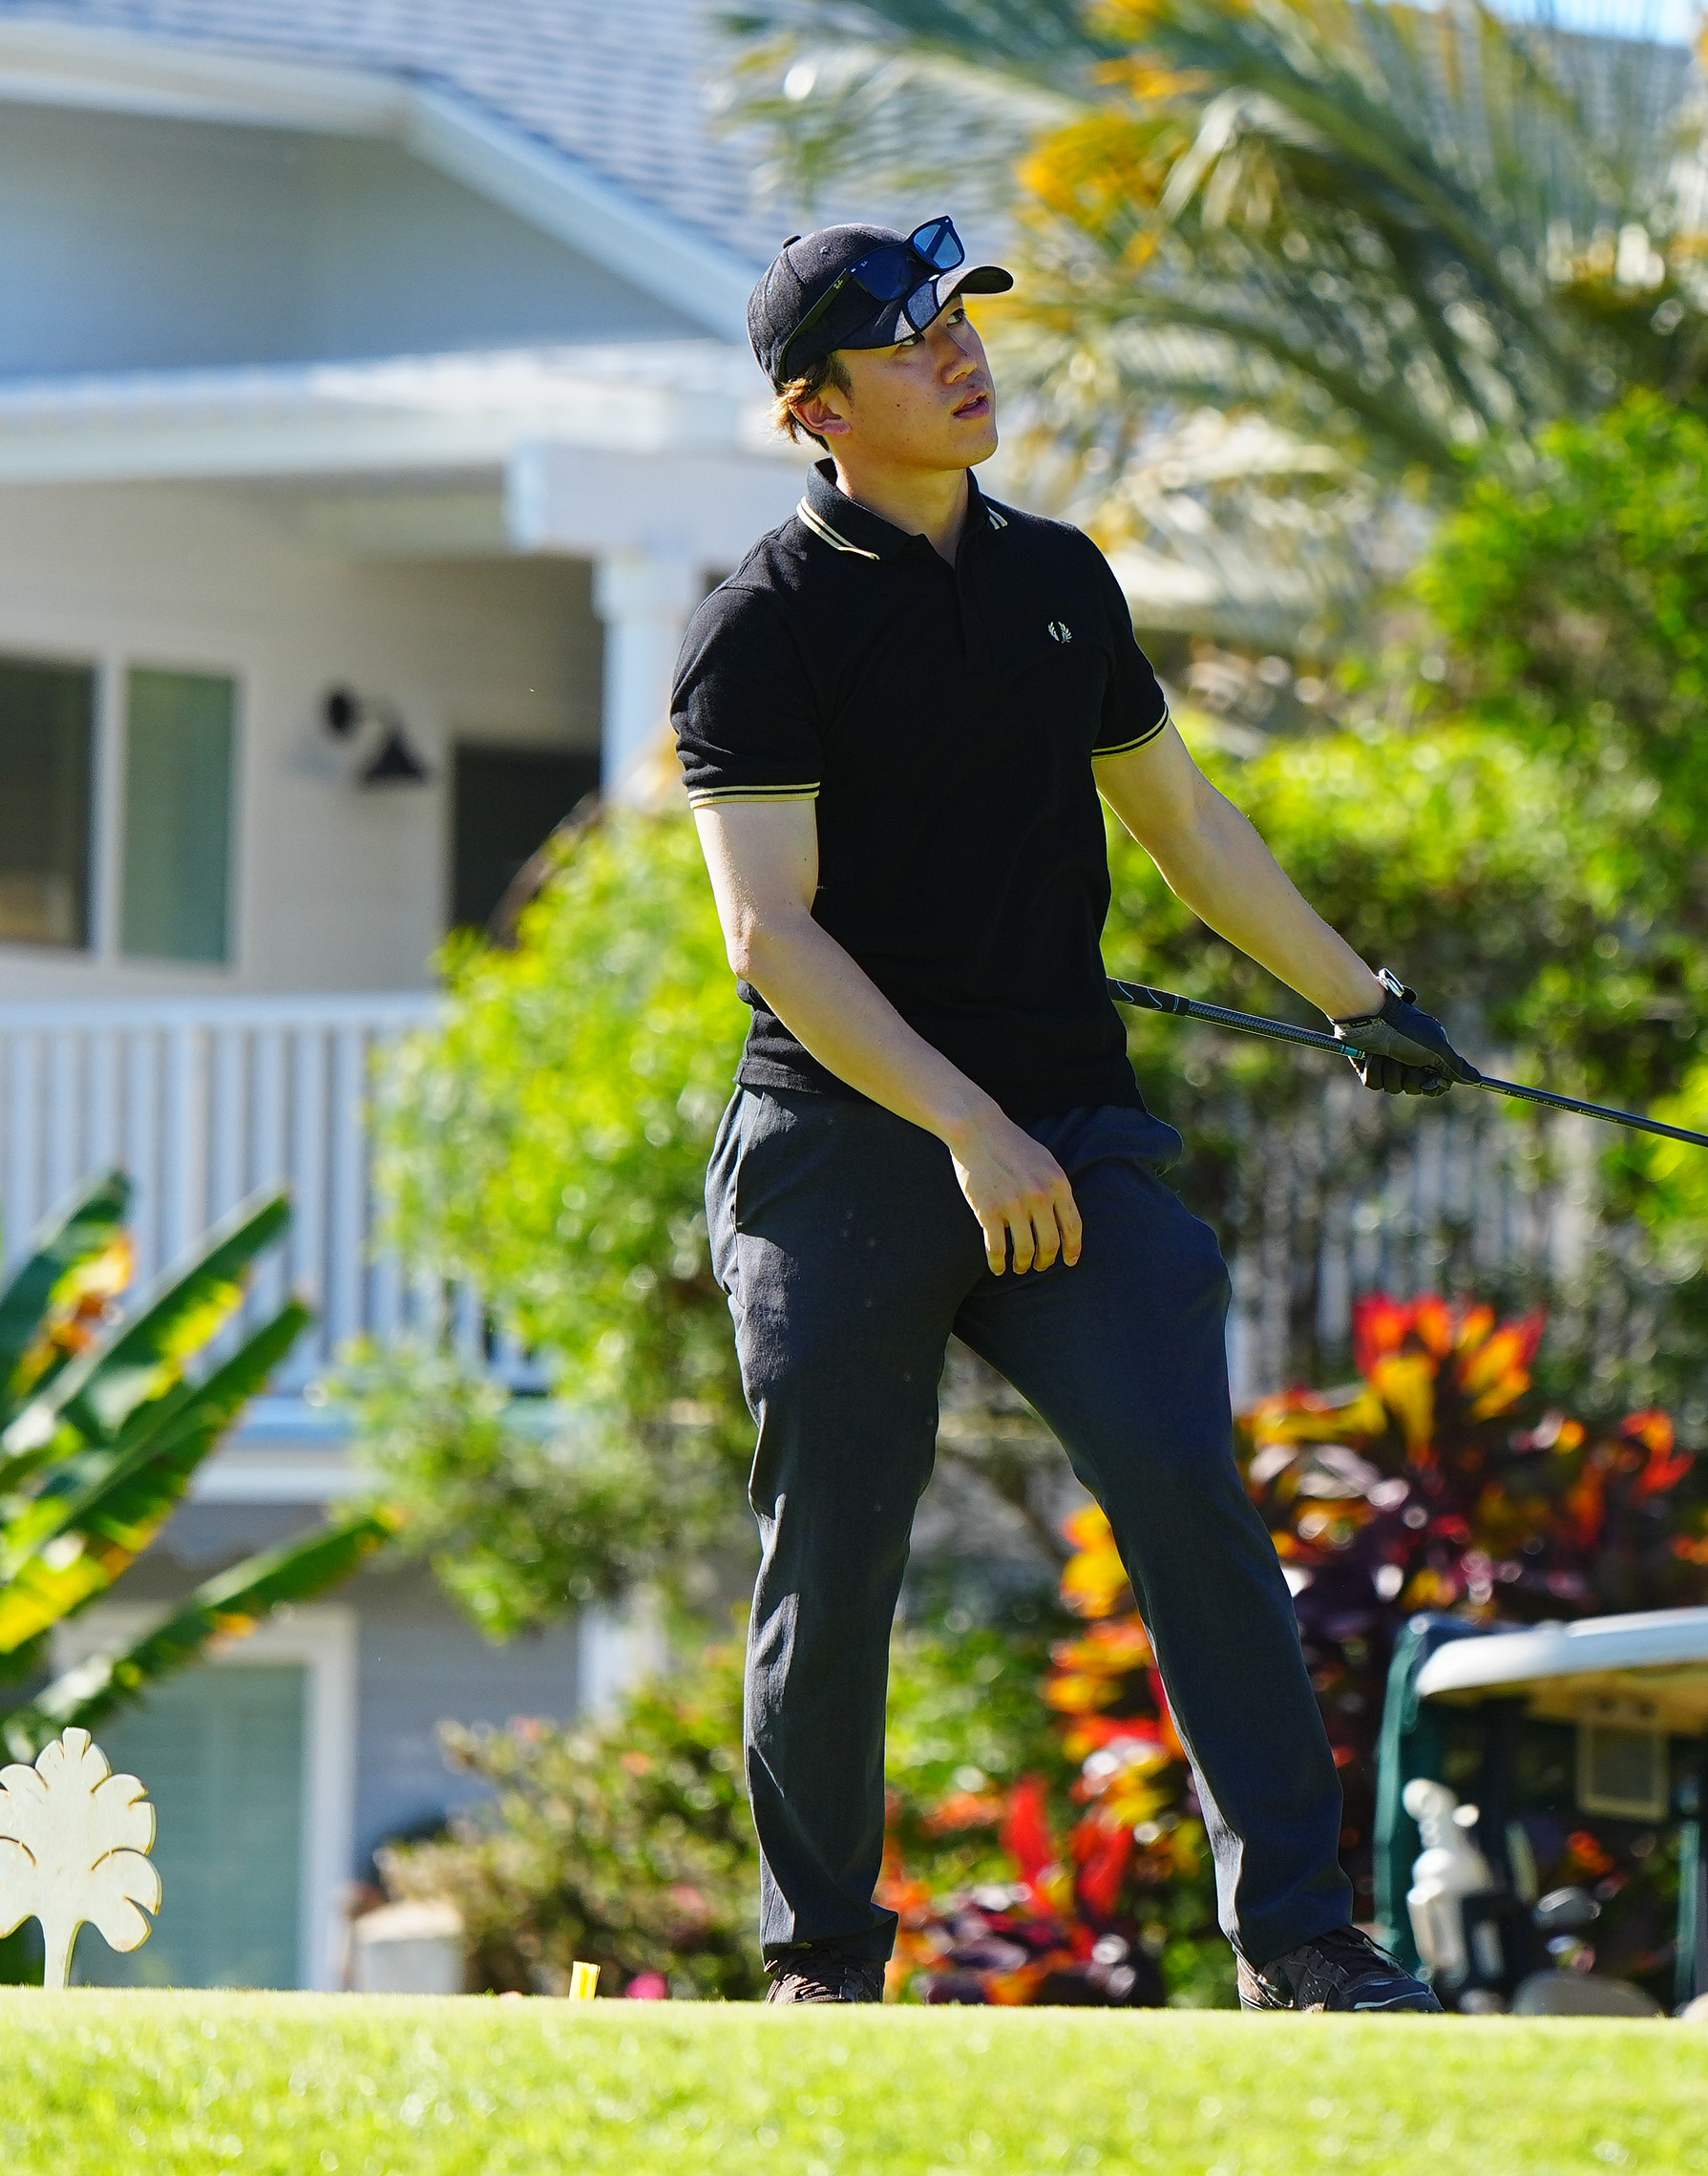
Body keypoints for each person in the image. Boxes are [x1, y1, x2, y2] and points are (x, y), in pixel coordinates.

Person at [674, 218, 1475, 2010]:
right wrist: (967, 1128)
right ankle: (821, 1964)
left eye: (959, 321)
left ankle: (1301, 1942)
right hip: (843, 1146)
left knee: (1186, 1485)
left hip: (1064, 1130)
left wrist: (1362, 1004)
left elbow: (1183, 825)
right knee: (836, 1552)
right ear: (815, 409)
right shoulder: (760, 627)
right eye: (909, 339)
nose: (959, 354)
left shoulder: (1057, 580)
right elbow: (769, 936)